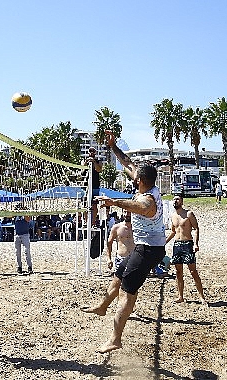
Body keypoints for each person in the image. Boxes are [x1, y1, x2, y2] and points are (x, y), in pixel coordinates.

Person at [82, 130, 166, 354]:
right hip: (144, 246)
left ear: (140, 180)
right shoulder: (145, 184)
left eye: (135, 175)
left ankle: (115, 339)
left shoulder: (148, 199)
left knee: (127, 292)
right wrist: (112, 146)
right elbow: (127, 163)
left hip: (149, 250)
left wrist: (113, 202)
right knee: (118, 277)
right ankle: (102, 307)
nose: (133, 174)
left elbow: (143, 209)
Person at [166, 196, 206, 304]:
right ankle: (181, 296)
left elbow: (196, 228)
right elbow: (173, 231)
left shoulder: (188, 214)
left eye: (178, 199)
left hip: (187, 244)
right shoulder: (173, 216)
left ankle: (201, 296)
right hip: (177, 245)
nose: (175, 201)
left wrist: (196, 244)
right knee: (178, 272)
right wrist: (164, 242)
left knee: (193, 271)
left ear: (182, 201)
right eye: (174, 199)